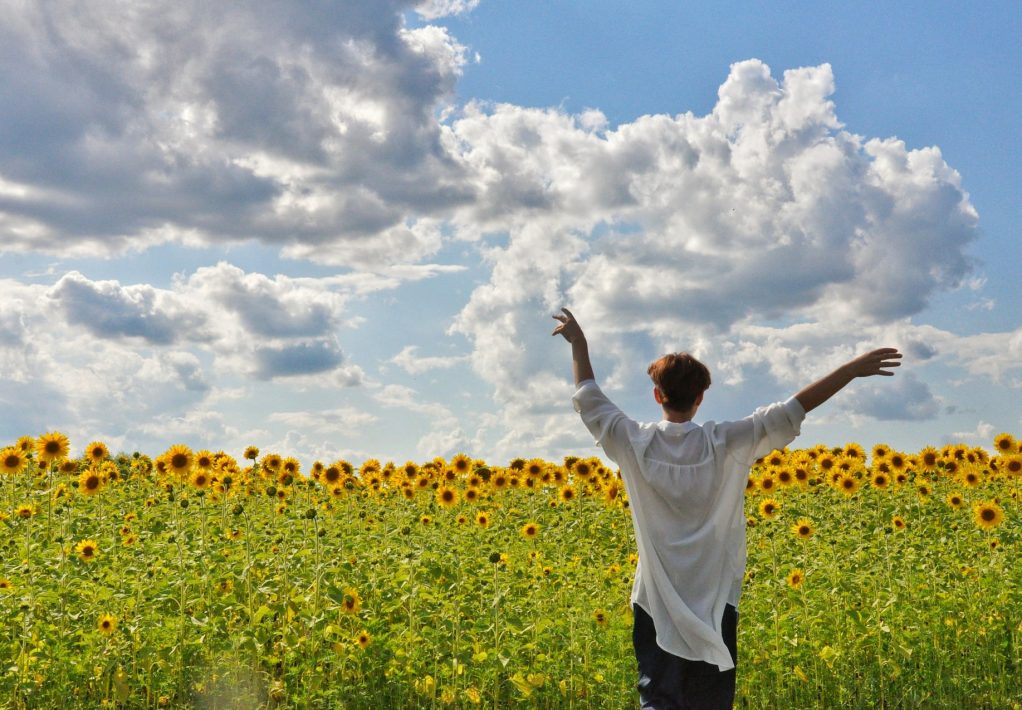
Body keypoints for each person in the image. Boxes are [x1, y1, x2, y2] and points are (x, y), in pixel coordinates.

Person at [551, 308, 902, 710]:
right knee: (710, 702)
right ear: (700, 399)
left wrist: (579, 342)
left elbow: (588, 395)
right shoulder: (726, 443)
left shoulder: (632, 442)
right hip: (716, 600)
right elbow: (794, 407)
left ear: (656, 395)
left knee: (658, 698)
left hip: (655, 599)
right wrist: (850, 369)